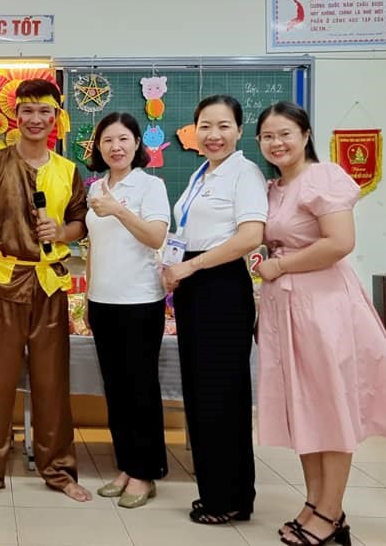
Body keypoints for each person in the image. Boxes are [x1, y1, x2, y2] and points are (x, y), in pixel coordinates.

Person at [254, 102, 386, 546]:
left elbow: (339, 242)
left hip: (323, 308)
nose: (277, 143)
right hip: (288, 310)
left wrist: (281, 265)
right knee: (306, 408)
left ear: (306, 135)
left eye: (285, 133)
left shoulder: (325, 177)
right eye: (268, 136)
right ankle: (315, 503)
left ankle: (330, 513)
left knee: (329, 407)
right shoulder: (274, 188)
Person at [0, 78, 92, 503]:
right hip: (2, 282)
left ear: (56, 118)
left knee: (52, 382)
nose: (36, 119)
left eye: (44, 112)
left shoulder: (67, 170)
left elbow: (80, 222)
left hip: (49, 284)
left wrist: (62, 232)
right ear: (15, 116)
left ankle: (60, 471)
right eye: (28, 111)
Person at [161, 94, 267, 525]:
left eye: (223, 126)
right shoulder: (201, 173)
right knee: (201, 393)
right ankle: (217, 492)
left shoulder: (246, 173)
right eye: (205, 126)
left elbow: (251, 236)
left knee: (223, 395)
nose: (214, 135)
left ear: (239, 131)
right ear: (194, 131)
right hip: (194, 285)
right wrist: (176, 266)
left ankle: (230, 497)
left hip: (221, 286)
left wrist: (191, 266)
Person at [84, 112, 170, 508]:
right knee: (116, 389)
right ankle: (127, 465)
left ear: (137, 143)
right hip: (103, 301)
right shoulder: (97, 187)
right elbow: (94, 247)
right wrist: (89, 297)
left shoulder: (150, 186)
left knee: (140, 388)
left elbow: (155, 236)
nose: (115, 147)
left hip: (139, 301)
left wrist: (118, 210)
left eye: (123, 139)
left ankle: (145, 472)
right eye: (107, 140)